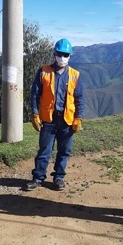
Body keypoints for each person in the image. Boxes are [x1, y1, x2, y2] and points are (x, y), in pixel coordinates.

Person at [24, 38, 85, 192]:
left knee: (64, 150)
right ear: (54, 54)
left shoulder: (75, 75)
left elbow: (79, 98)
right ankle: (38, 177)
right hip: (49, 119)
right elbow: (34, 95)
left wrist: (78, 118)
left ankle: (59, 177)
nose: (62, 57)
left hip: (67, 120)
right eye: (59, 54)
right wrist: (35, 114)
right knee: (44, 150)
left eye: (65, 54)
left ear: (70, 56)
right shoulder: (44, 71)